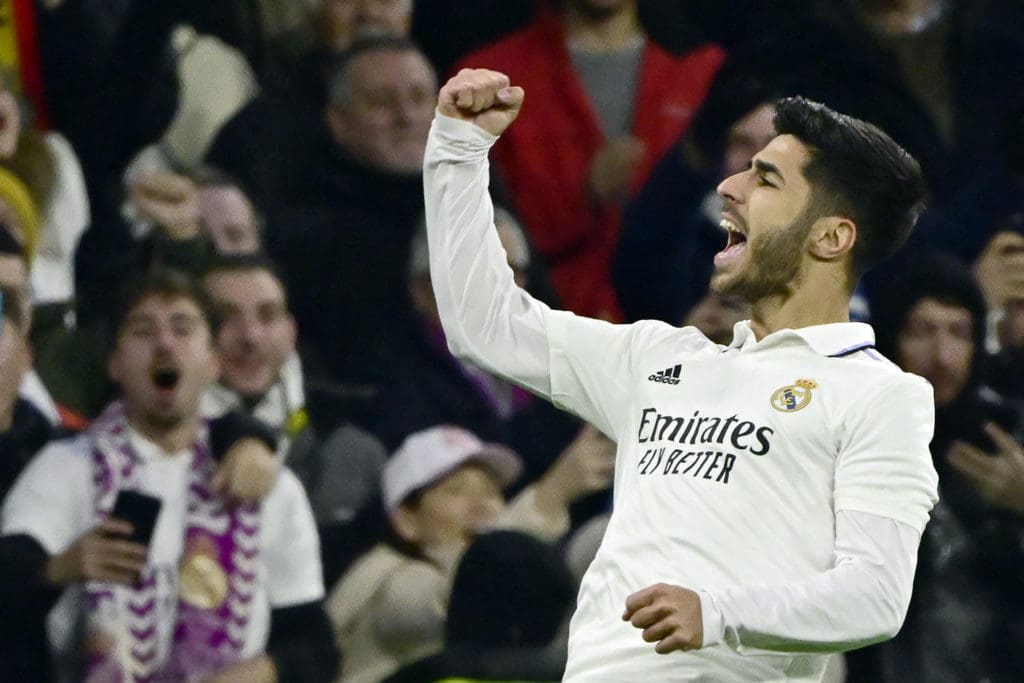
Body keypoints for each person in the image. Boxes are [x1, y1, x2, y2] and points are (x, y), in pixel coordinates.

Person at [423, 69, 938, 680]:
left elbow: (874, 595)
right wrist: (457, 150)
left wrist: (717, 613)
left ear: (830, 237)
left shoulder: (880, 395)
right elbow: (484, 324)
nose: (728, 186)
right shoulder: (659, 360)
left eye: (765, 178)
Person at [0, 269, 337, 682]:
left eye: (183, 328)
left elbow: (316, 649)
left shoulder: (266, 485)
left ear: (213, 362)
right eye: (143, 331)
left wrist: (250, 675)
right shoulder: (67, 467)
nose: (164, 343)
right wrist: (57, 568)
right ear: (115, 364)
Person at [452, 0, 724, 320]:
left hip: (681, 331)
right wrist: (583, 196)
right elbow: (472, 223)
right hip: (544, 329)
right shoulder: (491, 79)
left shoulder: (705, 73)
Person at [847, 252, 1024, 682]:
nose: (942, 355)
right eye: (921, 331)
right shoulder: (852, 439)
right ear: (890, 337)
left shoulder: (1007, 441)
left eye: (959, 332)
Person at [327, 424, 610, 682]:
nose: (483, 505)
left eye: (490, 491)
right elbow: (467, 590)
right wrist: (550, 496)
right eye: (455, 491)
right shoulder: (389, 580)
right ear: (407, 520)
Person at [200, 254, 388, 526]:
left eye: (267, 315)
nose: (251, 336)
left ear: (290, 332)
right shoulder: (154, 443)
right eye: (226, 318)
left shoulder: (355, 454)